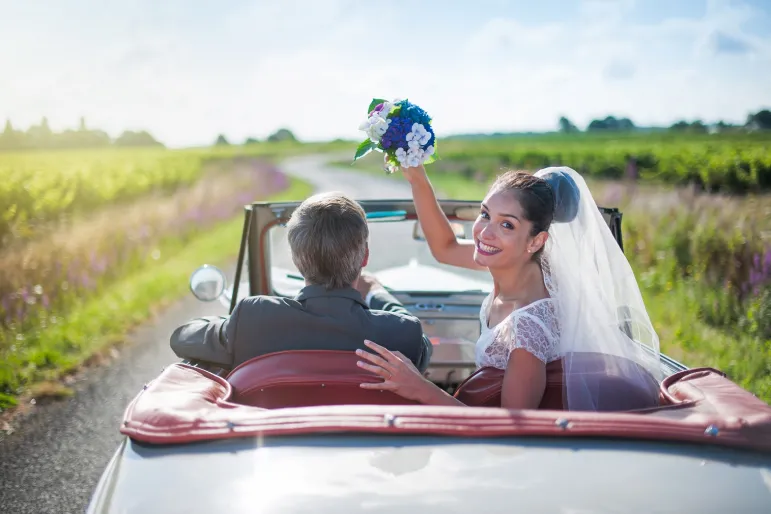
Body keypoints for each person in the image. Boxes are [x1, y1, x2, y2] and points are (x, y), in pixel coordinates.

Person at [355, 164, 664, 411]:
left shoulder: (527, 330)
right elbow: (444, 248)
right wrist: (417, 176)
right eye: (485, 214)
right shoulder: (519, 262)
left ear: (536, 241)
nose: (485, 233)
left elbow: (509, 432)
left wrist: (419, 386)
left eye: (507, 225)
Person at [170, 191, 433, 371]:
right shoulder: (401, 334)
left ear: (296, 259)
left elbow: (181, 338)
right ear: (365, 256)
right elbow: (419, 340)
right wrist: (376, 291)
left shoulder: (254, 320)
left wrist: (228, 325)